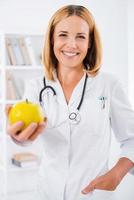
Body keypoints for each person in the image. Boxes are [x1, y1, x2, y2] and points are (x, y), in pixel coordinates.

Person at [6, 4, 134, 200]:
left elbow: (131, 139)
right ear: (52, 39)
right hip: (47, 192)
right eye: (63, 35)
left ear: (90, 42)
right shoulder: (35, 86)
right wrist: (19, 137)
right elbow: (25, 136)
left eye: (81, 36)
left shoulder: (109, 84)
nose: (72, 44)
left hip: (92, 194)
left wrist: (117, 174)